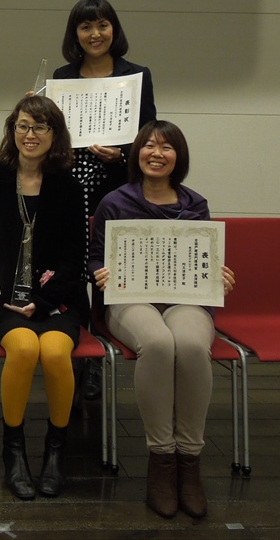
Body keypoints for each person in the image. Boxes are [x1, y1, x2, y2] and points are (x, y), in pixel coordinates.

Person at [89, 120, 236, 520]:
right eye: (149, 145)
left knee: (190, 345)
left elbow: (204, 258)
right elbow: (96, 257)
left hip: (185, 299)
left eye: (166, 147)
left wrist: (219, 274)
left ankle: (189, 459)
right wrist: (99, 272)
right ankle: (161, 458)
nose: (157, 153)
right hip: (130, 299)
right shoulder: (114, 202)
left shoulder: (196, 204)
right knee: (157, 343)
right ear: (137, 152)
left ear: (178, 157)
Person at [0, 95, 88, 500]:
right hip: (1, 299)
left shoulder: (69, 186)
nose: (29, 134)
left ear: (55, 134)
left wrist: (44, 300)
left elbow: (75, 257)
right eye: (22, 126)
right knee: (22, 348)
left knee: (54, 353)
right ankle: (13, 450)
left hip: (57, 300)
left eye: (39, 127)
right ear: (12, 130)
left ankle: (56, 450)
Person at [52, 0, 157, 404]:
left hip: (115, 185)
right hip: (70, 184)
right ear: (75, 34)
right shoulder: (63, 77)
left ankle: (100, 352)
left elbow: (150, 135)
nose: (95, 34)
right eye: (86, 27)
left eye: (102, 25)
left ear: (114, 29)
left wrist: (123, 154)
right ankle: (79, 351)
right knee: (73, 265)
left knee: (107, 267)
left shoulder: (137, 75)